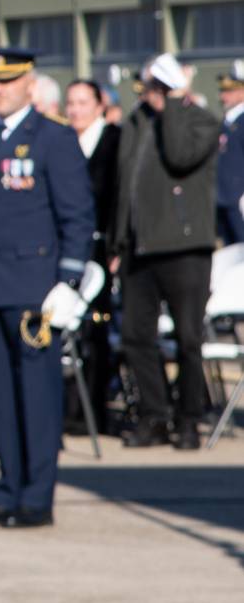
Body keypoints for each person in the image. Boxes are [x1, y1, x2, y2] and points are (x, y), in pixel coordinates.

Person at [0, 48, 94, 528]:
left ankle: (36, 498)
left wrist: (69, 281)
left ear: (29, 85)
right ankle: (7, 489)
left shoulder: (52, 137)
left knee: (36, 397)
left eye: (7, 81)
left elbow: (76, 214)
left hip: (35, 290)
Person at [114, 53, 224, 450]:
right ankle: (155, 415)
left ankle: (189, 418)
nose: (152, 93)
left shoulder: (200, 120)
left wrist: (175, 103)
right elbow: (124, 187)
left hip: (184, 248)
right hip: (139, 248)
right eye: (150, 85)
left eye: (160, 86)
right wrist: (117, 242)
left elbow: (180, 156)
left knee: (188, 339)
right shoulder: (136, 122)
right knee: (136, 336)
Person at [64, 79, 121, 435]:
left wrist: (117, 245)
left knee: (97, 329)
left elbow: (120, 195)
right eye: (70, 103)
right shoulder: (64, 140)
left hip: (103, 248)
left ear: (100, 106)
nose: (75, 110)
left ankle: (95, 410)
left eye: (82, 102)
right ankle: (72, 408)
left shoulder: (114, 140)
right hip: (73, 246)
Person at [218, 61, 244, 248]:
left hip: (239, 199)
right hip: (223, 197)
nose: (223, 96)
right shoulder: (226, 121)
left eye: (229, 91)